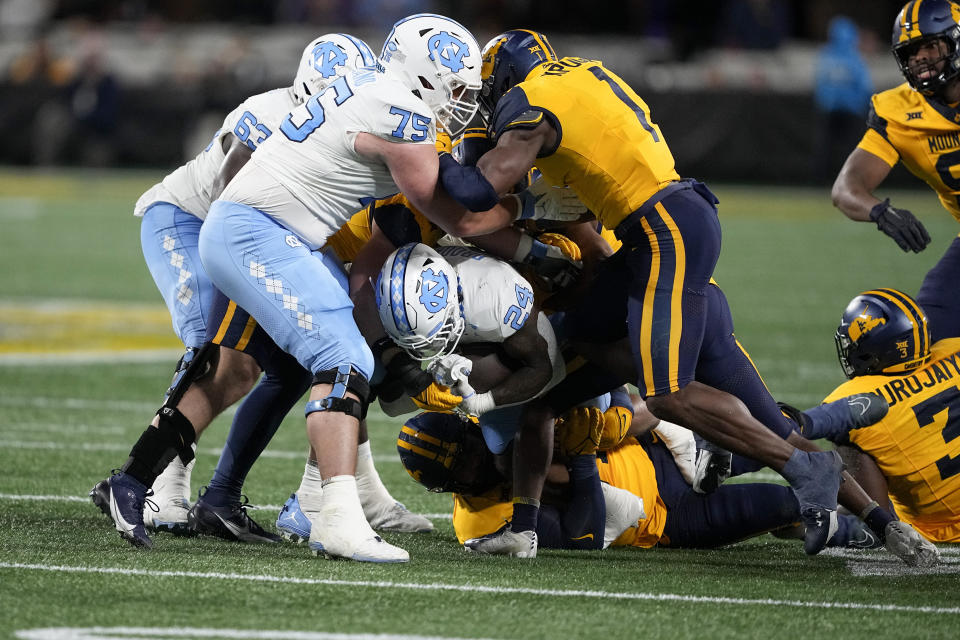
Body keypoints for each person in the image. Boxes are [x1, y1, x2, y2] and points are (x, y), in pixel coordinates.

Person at [442, 28, 889, 558]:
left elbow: (473, 196)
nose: (486, 110)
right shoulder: (579, 80)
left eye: (489, 95)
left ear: (509, 79)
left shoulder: (532, 106)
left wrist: (426, 153)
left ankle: (800, 464)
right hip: (656, 245)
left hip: (663, 239)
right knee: (573, 359)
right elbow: (580, 234)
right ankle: (882, 522)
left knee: (669, 394)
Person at [194, 14, 537, 563]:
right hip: (263, 231)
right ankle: (328, 515)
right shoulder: (401, 112)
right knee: (333, 357)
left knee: (337, 360)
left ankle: (329, 507)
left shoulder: (376, 90)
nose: (463, 100)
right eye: (456, 86)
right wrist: (529, 204)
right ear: (426, 76)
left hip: (275, 232)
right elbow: (462, 217)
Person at [90, 33, 428, 549]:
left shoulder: (349, 118)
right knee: (212, 349)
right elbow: (231, 193)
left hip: (262, 237)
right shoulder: (273, 112)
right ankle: (158, 483)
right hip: (192, 218)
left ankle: (216, 496)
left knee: (282, 365)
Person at [394, 400, 882, 555]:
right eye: (468, 467)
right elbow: (586, 533)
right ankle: (837, 527)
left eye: (475, 449)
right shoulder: (481, 525)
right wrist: (583, 456)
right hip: (666, 519)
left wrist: (596, 425)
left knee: (767, 426)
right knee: (782, 505)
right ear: (452, 485)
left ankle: (826, 419)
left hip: (657, 449)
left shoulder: (498, 420)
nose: (482, 460)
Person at [831, 0, 960, 346]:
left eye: (930, 46)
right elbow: (846, 188)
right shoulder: (899, 112)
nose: (920, 59)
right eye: (912, 52)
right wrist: (879, 211)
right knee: (923, 339)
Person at [818, 288, 958, 548]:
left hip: (941, 525)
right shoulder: (953, 348)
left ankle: (875, 523)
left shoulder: (860, 394)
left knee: (848, 430)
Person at [813, 16, 873, 182]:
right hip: (850, 111)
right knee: (851, 150)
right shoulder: (855, 57)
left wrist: (825, 103)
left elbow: (821, 84)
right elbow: (864, 85)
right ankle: (850, 181)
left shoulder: (827, 55)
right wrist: (860, 104)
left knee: (825, 148)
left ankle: (820, 181)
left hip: (830, 110)